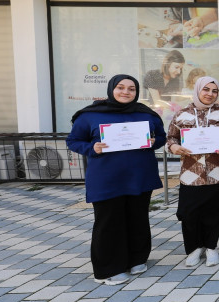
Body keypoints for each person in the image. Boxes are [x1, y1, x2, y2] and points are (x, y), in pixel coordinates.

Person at [66, 74, 166, 285]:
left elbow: (161, 138)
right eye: (121, 88)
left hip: (139, 176)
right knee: (109, 222)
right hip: (107, 178)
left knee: (137, 218)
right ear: (112, 89)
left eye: (131, 89)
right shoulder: (90, 115)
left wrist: (154, 141)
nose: (126, 92)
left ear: (137, 92)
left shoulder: (146, 114)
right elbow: (73, 140)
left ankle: (137, 259)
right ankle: (107, 269)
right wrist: (91, 148)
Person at [166, 76, 219, 267]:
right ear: (197, 90)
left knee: (214, 213)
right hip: (191, 175)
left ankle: (212, 247)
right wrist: (173, 148)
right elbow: (170, 138)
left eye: (214, 91)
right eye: (206, 89)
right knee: (189, 214)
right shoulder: (182, 114)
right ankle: (194, 248)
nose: (210, 94)